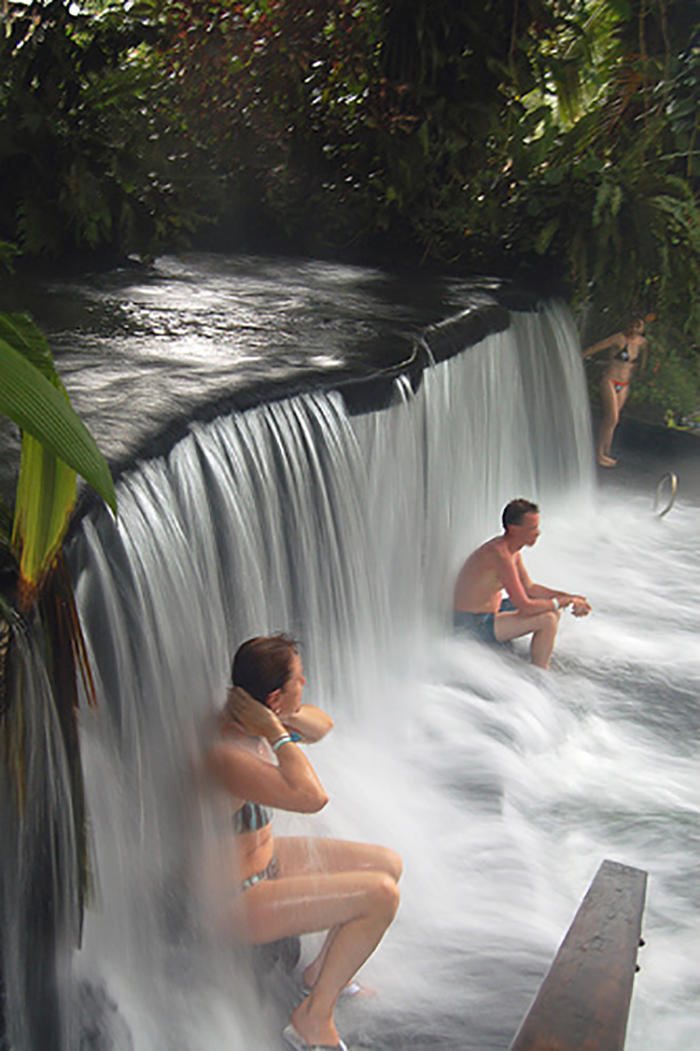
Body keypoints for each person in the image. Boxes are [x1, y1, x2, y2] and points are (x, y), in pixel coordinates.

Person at [204, 634, 402, 1051]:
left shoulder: (254, 722)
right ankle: (313, 1019)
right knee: (381, 896)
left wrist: (278, 722)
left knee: (387, 865)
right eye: (299, 678)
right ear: (275, 696)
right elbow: (312, 798)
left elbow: (323, 724)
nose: (306, 682)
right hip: (235, 899)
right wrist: (276, 732)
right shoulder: (228, 753)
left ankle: (321, 977)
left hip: (266, 860)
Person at [453, 499, 591, 669]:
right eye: (532, 528)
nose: (538, 533)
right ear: (514, 529)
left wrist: (570, 597)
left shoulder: (512, 551)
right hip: (472, 625)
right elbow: (524, 605)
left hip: (490, 612)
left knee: (552, 611)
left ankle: (536, 663)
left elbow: (530, 588)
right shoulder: (500, 555)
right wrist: (563, 602)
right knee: (547, 619)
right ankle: (540, 674)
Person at [582, 316, 649, 467]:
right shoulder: (618, 339)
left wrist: (637, 374)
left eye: (637, 326)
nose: (633, 329)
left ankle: (606, 452)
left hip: (624, 384)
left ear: (642, 328)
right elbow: (595, 348)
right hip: (610, 380)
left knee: (612, 421)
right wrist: (578, 359)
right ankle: (598, 454)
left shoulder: (643, 344)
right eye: (631, 325)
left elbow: (642, 364)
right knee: (612, 417)